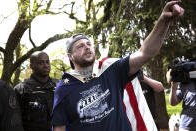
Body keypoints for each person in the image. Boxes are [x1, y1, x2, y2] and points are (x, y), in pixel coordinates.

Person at [52, 1, 184, 131]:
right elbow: (59, 127)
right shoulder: (64, 88)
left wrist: (163, 20)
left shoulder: (111, 70)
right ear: (70, 56)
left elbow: (145, 53)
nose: (86, 47)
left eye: (88, 44)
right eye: (80, 46)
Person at [14, 51, 58, 131]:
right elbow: (14, 120)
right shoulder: (21, 89)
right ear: (31, 66)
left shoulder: (58, 86)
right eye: (41, 63)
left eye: (47, 62)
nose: (46, 65)